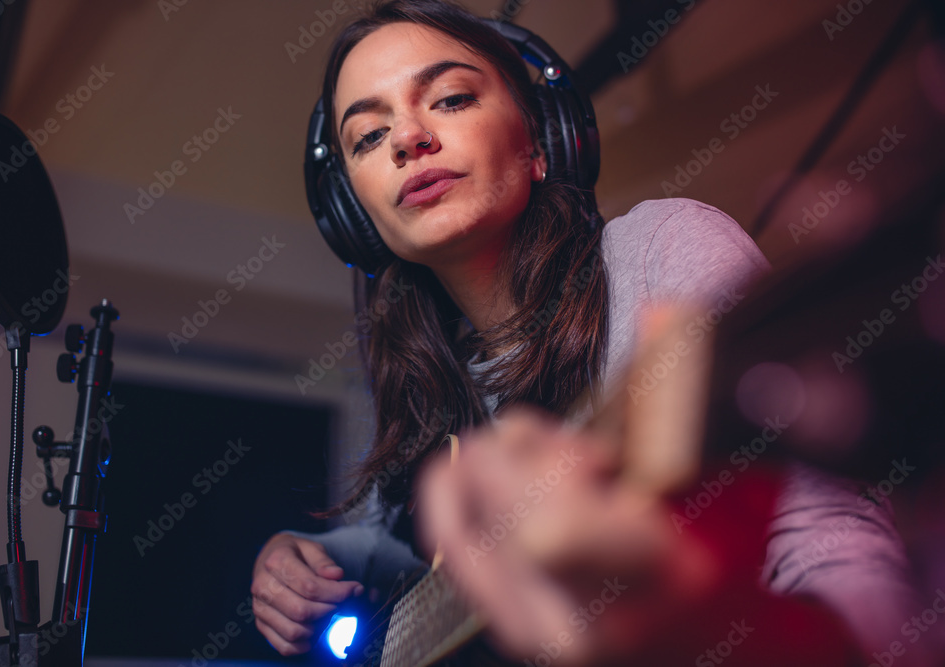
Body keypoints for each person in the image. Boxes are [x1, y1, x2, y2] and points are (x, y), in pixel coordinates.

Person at [251, 1, 923, 664]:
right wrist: (302, 561)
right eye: (369, 136)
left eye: (451, 98)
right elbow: (387, 542)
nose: (407, 138)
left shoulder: (659, 248)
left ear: (540, 139)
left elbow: (828, 541)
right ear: (357, 216)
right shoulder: (418, 378)